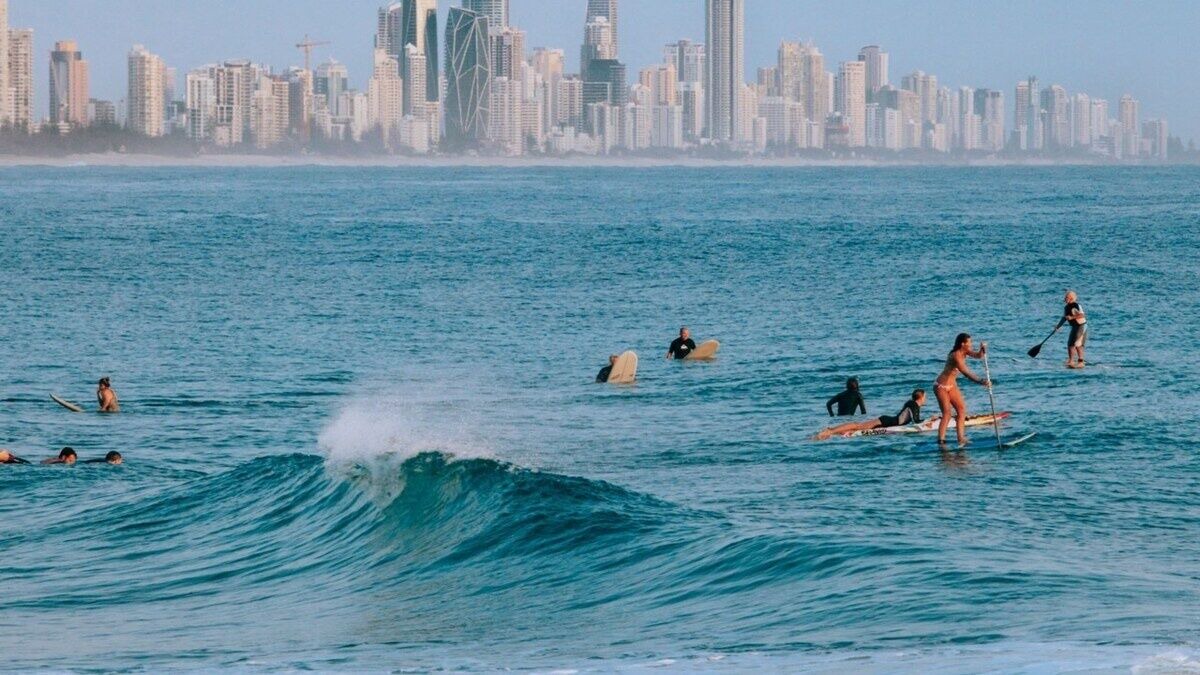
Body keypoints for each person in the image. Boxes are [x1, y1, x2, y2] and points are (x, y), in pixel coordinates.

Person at [935, 333, 991, 447]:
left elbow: (978, 356)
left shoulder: (965, 351)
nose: (971, 344)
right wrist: (981, 381)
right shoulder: (955, 355)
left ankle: (961, 438)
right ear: (962, 344)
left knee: (961, 410)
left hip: (952, 386)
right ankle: (941, 441)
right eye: (969, 343)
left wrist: (982, 349)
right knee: (947, 413)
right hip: (941, 386)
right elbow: (966, 372)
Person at [815, 389, 926, 440]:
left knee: (857, 431)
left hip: (888, 422)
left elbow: (913, 419)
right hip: (886, 421)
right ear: (921, 397)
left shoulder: (912, 403)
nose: (926, 399)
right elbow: (916, 421)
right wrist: (929, 421)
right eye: (925, 397)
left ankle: (833, 433)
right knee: (858, 425)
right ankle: (830, 431)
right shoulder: (913, 404)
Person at [1054, 290, 1088, 369]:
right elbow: (1064, 318)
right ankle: (1071, 360)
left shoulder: (1076, 305)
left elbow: (1082, 315)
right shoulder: (1066, 307)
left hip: (1081, 326)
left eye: (1067, 297)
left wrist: (1072, 317)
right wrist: (1058, 326)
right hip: (1074, 327)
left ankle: (1081, 361)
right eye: (1065, 297)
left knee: (1078, 344)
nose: (1065, 299)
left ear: (1071, 298)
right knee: (1070, 344)